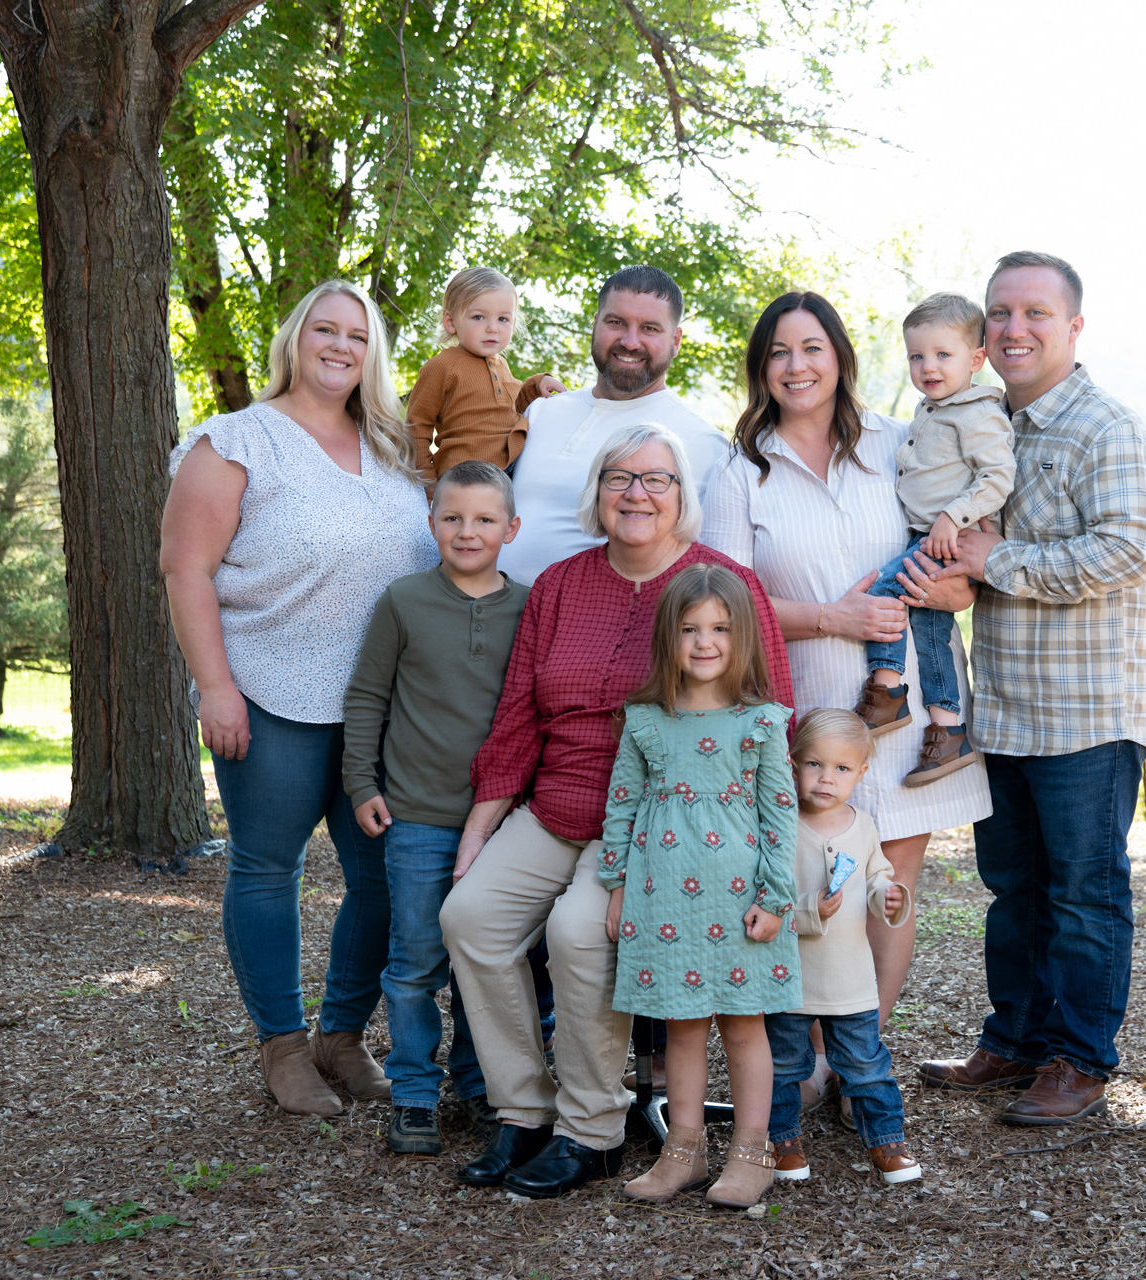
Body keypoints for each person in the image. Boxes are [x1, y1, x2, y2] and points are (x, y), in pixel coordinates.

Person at [439, 423, 794, 1199]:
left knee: (578, 933)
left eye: (656, 479)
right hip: (554, 805)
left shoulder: (722, 583)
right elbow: (517, 716)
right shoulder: (562, 585)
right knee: (470, 917)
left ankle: (591, 1130)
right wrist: (479, 832)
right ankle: (524, 1111)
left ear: (682, 497)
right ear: (597, 493)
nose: (636, 493)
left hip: (659, 826)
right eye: (619, 478)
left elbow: (767, 713)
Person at [161, 279, 438, 1117]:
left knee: (385, 876)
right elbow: (187, 570)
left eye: (358, 335)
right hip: (270, 692)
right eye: (326, 329)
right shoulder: (235, 442)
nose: (341, 345)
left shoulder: (391, 446)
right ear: (295, 338)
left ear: (372, 353)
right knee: (266, 869)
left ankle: (341, 1037)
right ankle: (281, 1046)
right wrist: (216, 687)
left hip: (379, 710)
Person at [699, 291, 991, 1052]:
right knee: (809, 880)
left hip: (909, 710)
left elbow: (968, 548)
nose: (797, 366)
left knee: (888, 887)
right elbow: (727, 602)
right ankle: (804, 1055)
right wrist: (834, 616)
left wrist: (955, 587)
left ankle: (856, 1058)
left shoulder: (901, 442)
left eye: (812, 349)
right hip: (807, 707)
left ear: (840, 358)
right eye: (779, 353)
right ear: (761, 369)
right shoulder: (741, 473)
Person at [919, 251, 1146, 1124]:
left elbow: (1125, 550)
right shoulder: (988, 428)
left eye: (1035, 313)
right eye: (999, 314)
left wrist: (1000, 560)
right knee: (1014, 888)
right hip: (1010, 710)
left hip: (1089, 713)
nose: (1015, 328)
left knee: (1083, 891)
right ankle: (1015, 1040)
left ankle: (1079, 1060)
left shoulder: (1110, 430)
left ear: (1074, 326)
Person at [340, 460, 530, 1155]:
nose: (467, 531)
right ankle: (415, 1090)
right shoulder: (404, 601)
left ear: (512, 528)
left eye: (484, 519)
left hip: (505, 823)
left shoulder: (528, 607)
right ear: (432, 525)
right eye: (452, 518)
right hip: (417, 815)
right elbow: (367, 696)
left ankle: (477, 1084)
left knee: (487, 957)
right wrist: (363, 783)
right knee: (416, 958)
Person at [604, 565, 800, 1210]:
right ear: (670, 637)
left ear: (743, 637)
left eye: (720, 628)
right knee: (680, 1030)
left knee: (745, 1027)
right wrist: (615, 887)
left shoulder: (763, 723)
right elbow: (623, 805)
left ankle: (753, 1152)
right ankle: (683, 1151)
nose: (705, 641)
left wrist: (774, 898)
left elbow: (779, 816)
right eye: (690, 628)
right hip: (662, 900)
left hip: (740, 900)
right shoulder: (645, 721)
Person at [854, 294, 1014, 787]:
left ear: (977, 359)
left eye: (943, 355)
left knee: (884, 591)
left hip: (945, 534)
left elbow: (998, 475)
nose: (928, 366)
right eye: (917, 356)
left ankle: (886, 694)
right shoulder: (932, 408)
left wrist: (952, 515)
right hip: (930, 532)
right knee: (929, 633)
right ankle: (948, 731)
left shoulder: (977, 413)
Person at [497, 265, 729, 584]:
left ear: (675, 340)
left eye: (649, 328)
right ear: (595, 324)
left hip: (595, 626)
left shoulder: (701, 441)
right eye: (616, 322)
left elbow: (705, 576)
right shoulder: (542, 411)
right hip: (487, 618)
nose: (630, 341)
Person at [766, 709, 920, 1185]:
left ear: (861, 773)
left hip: (850, 978)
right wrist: (810, 910)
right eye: (814, 764)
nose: (826, 778)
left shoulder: (864, 826)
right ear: (793, 765)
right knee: (782, 1065)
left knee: (865, 1064)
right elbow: (766, 897)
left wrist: (888, 897)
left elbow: (876, 878)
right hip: (791, 976)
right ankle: (782, 1139)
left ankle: (886, 1141)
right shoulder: (780, 826)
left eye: (841, 768)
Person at [403, 267, 569, 478]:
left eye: (503, 319)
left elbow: (514, 409)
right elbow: (416, 427)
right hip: (465, 475)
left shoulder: (502, 366)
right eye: (479, 317)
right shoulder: (443, 365)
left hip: (511, 471)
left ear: (513, 323)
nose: (493, 328)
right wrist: (426, 483)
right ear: (451, 322)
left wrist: (537, 385)